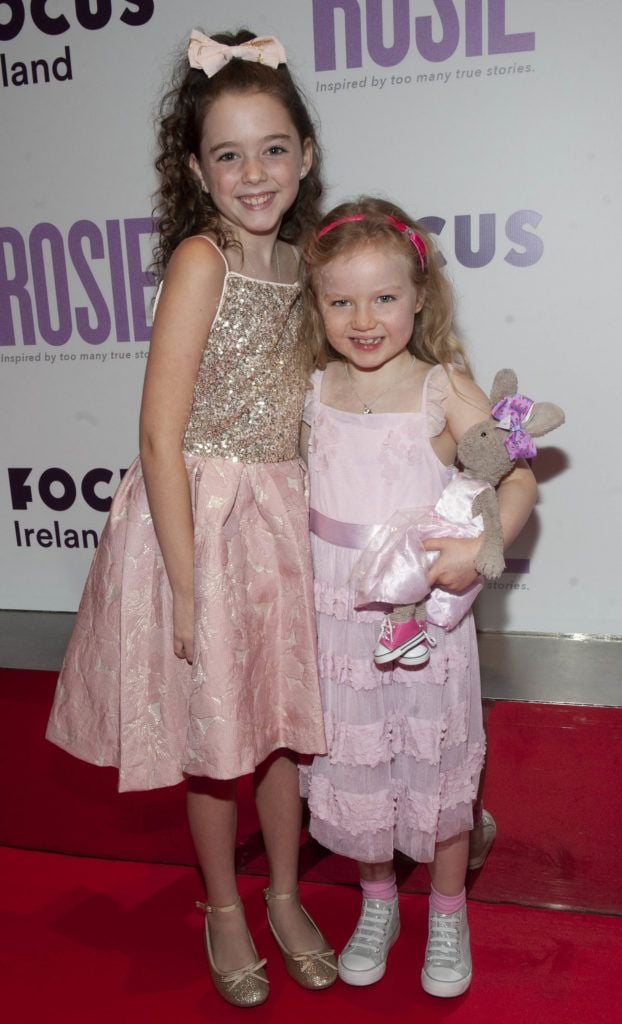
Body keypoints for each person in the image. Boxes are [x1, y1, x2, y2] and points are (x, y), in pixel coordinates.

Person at [46, 28, 337, 1008]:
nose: (253, 173)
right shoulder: (201, 262)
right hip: (200, 525)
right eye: (228, 153)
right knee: (217, 736)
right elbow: (160, 437)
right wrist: (181, 582)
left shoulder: (308, 267)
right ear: (196, 170)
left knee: (286, 728)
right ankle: (223, 907)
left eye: (271, 148)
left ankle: (288, 895)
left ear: (305, 153)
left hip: (278, 517)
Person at [298, 197, 537, 997]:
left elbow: (519, 476)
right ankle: (376, 901)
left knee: (431, 763)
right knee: (357, 758)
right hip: (340, 615)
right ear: (319, 304)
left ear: (420, 298)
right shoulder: (315, 388)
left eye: (384, 298)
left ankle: (444, 909)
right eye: (342, 301)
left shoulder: (444, 388)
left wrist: (481, 548)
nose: (364, 319)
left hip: (424, 611)